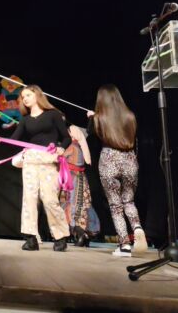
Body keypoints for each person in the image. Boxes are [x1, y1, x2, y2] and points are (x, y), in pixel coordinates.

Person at [0, 85, 71, 251]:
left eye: (28, 95)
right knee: (29, 199)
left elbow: (66, 137)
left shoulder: (53, 114)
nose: (24, 99)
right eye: (23, 97)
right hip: (30, 160)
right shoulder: (25, 119)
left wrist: (61, 148)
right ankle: (31, 238)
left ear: (37, 95)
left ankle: (60, 236)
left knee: (50, 200)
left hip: (48, 161)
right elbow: (14, 139)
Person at [87, 84, 147, 257]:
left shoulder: (98, 118)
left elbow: (91, 134)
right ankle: (137, 226)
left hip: (109, 160)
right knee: (129, 201)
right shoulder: (130, 116)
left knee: (115, 205)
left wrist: (92, 118)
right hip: (129, 160)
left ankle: (124, 245)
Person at [59, 125, 100, 246]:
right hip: (78, 178)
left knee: (73, 204)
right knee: (81, 205)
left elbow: (61, 158)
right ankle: (85, 233)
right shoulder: (79, 147)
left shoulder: (73, 147)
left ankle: (80, 233)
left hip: (73, 180)